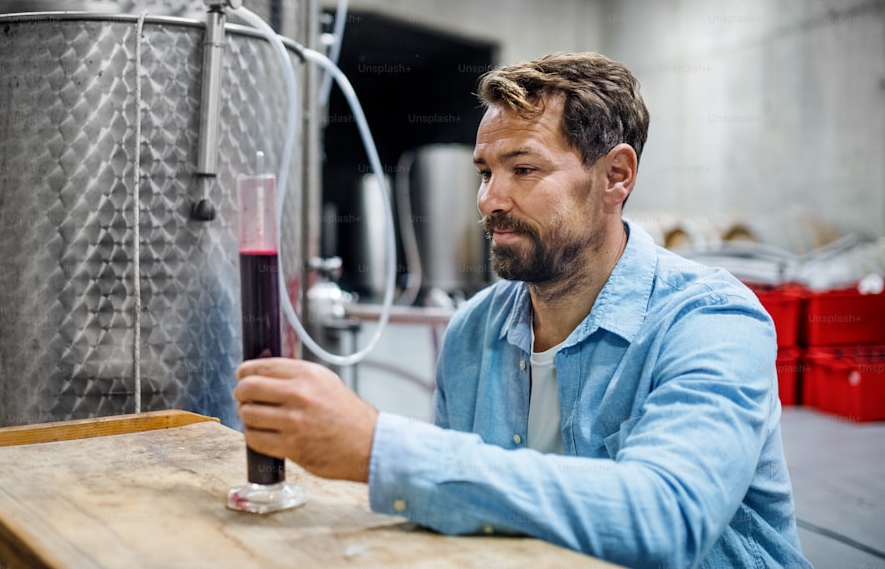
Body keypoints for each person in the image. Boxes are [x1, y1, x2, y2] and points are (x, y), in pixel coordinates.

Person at [234, 52, 811, 568]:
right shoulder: (474, 330)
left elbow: (667, 517)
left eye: (524, 169)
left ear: (615, 176)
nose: (489, 200)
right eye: (486, 172)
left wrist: (378, 448)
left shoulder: (709, 320)